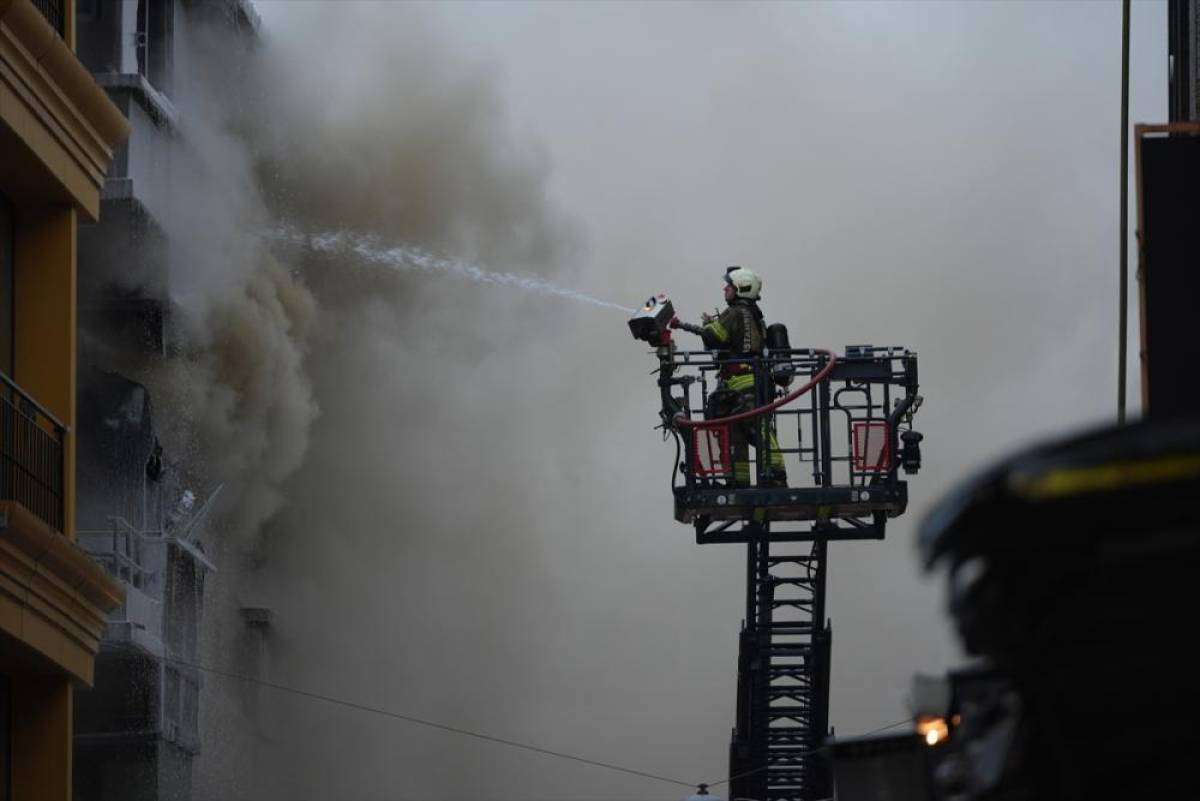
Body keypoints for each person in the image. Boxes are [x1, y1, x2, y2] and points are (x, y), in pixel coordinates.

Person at [674, 266, 787, 486]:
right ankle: (740, 480)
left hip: (744, 385)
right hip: (744, 385)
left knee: (756, 429)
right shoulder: (752, 314)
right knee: (735, 433)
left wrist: (700, 325)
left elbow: (714, 336)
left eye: (729, 285)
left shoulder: (735, 312)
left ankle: (775, 475)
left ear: (741, 288)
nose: (725, 289)